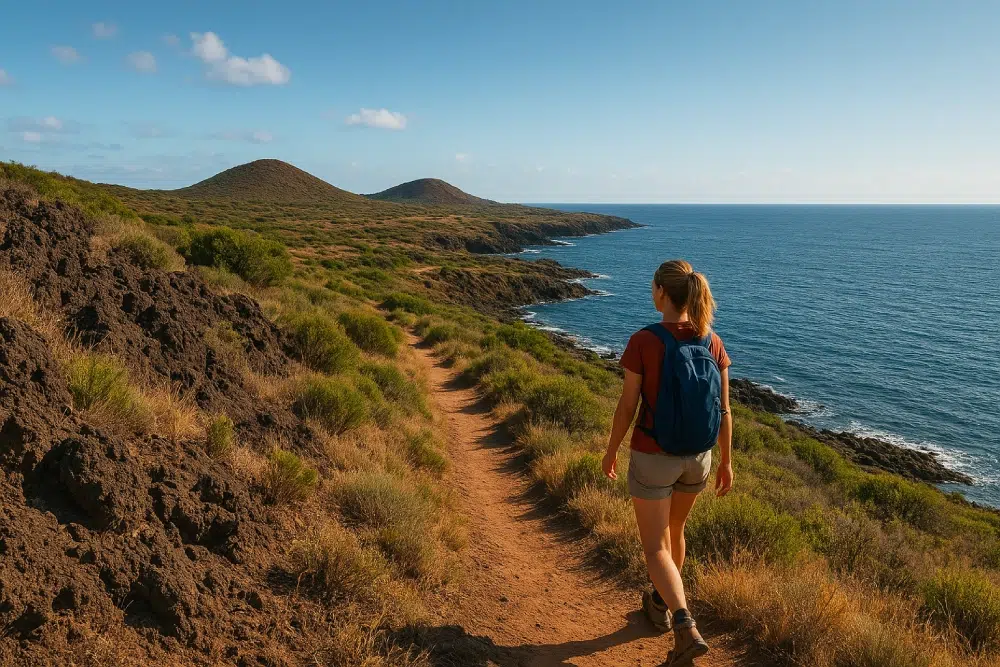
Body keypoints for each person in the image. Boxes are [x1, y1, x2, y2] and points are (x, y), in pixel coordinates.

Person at [601, 259, 733, 666]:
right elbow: (725, 410)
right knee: (676, 530)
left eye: (652, 286)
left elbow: (627, 407)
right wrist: (726, 462)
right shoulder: (711, 340)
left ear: (661, 291)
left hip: (654, 455)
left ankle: (684, 625)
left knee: (654, 546)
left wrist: (610, 450)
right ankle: (659, 604)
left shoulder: (644, 341)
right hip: (699, 457)